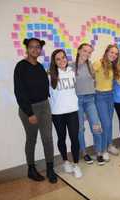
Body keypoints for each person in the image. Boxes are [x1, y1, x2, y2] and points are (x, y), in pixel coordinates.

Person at [14, 38, 57, 183]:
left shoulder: (39, 66)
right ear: (27, 48)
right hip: (29, 109)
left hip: (44, 106)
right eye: (32, 47)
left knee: (48, 138)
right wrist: (29, 113)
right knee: (31, 140)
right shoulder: (21, 67)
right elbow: (19, 92)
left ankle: (50, 168)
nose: (35, 49)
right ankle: (31, 169)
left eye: (38, 47)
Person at [49, 49, 82, 178]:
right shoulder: (50, 75)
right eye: (58, 59)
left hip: (73, 111)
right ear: (54, 62)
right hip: (57, 113)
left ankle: (76, 164)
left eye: (63, 57)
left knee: (75, 138)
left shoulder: (72, 72)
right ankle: (65, 161)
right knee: (61, 138)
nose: (62, 60)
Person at [72, 43, 105, 165]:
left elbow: (94, 82)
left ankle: (99, 153)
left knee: (96, 127)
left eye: (89, 52)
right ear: (79, 50)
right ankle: (85, 153)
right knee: (80, 129)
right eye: (85, 51)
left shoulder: (90, 65)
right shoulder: (71, 66)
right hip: (77, 101)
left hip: (90, 100)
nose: (87, 54)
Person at [93, 44, 119, 161]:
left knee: (109, 123)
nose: (114, 55)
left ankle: (109, 145)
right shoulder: (98, 63)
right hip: (100, 97)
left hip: (110, 96)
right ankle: (103, 150)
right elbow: (89, 75)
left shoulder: (113, 66)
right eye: (112, 52)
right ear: (106, 52)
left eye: (115, 53)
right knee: (106, 124)